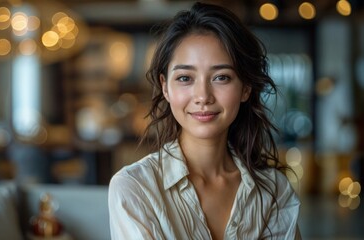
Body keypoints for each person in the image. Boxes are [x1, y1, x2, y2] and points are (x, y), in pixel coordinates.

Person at [108, 2, 301, 239]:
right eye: (185, 78)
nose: (203, 97)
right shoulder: (135, 188)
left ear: (246, 88)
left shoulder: (274, 190)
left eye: (221, 77)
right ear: (165, 87)